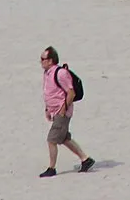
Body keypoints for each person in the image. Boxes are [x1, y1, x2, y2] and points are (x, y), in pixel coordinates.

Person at [39, 46, 93, 177]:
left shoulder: (61, 73)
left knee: (52, 140)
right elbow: (49, 92)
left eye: (43, 59)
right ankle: (86, 159)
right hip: (55, 111)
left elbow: (71, 92)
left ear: (51, 60)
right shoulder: (47, 73)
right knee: (64, 138)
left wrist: (63, 109)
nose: (41, 61)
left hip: (62, 112)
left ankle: (52, 168)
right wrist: (47, 109)